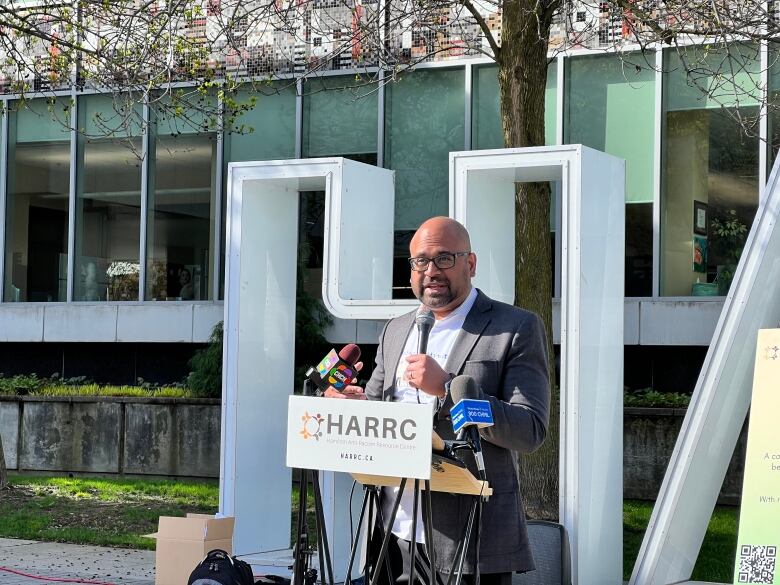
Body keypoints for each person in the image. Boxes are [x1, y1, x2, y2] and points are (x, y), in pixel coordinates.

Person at [325, 217, 550, 585]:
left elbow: (530, 429)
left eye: (444, 258)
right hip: (391, 532)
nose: (431, 271)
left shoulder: (515, 327)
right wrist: (350, 405)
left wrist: (445, 387)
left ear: (470, 264)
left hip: (468, 538)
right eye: (420, 261)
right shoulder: (396, 329)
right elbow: (377, 410)